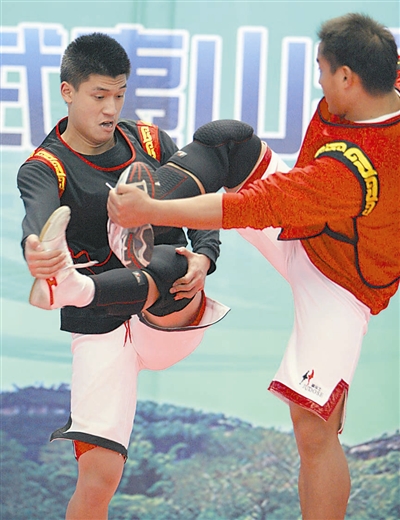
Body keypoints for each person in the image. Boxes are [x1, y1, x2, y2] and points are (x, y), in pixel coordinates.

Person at [107, 13, 400, 520]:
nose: (319, 81)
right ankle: (145, 205)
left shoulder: (358, 170)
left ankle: (145, 210)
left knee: (314, 427)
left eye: (321, 71)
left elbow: (251, 206)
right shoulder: (378, 80)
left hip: (341, 283)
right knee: (229, 141)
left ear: (347, 77)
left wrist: (154, 212)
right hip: (308, 228)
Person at [17, 32, 230, 520]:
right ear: (68, 91)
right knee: (99, 480)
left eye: (119, 95)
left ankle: (84, 283)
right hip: (101, 327)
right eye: (99, 96)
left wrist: (205, 257)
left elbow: (200, 207)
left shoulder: (150, 142)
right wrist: (37, 249)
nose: (111, 109)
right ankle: (83, 283)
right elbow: (39, 221)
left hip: (167, 314)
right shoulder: (45, 167)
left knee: (172, 257)